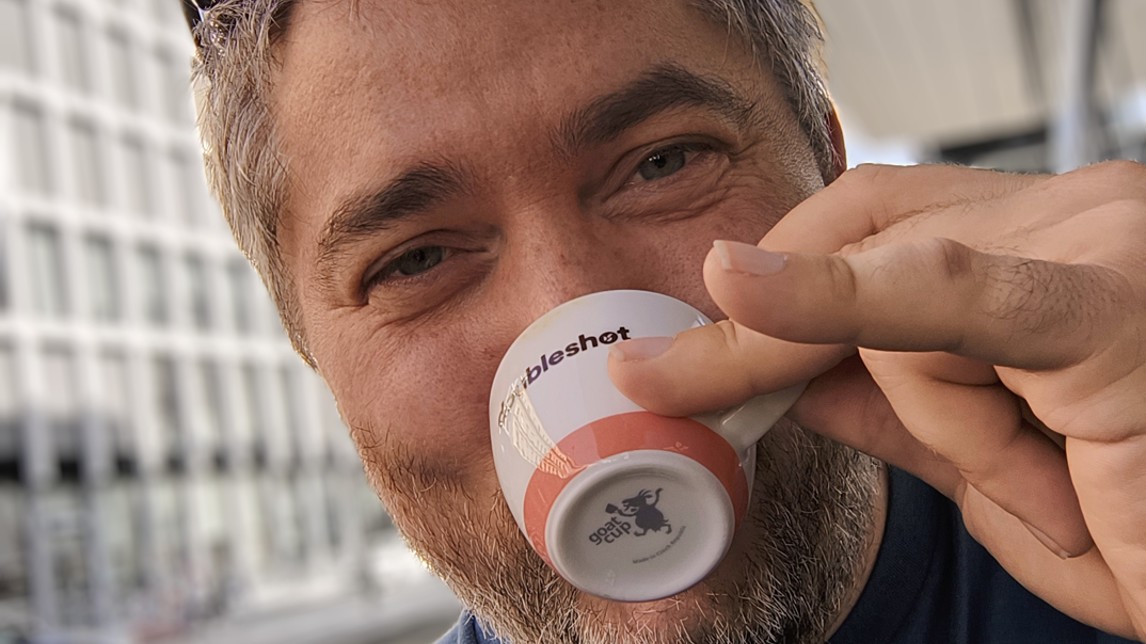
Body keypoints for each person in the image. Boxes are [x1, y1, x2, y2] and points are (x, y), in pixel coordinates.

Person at [182, 0, 1146, 642]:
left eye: (663, 164)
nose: (578, 323)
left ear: (828, 168)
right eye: (417, 260)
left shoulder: (1103, 526)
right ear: (307, 344)